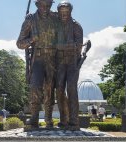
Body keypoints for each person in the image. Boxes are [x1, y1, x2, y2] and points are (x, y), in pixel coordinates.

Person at [17, 0, 58, 129]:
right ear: (36, 5)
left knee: (50, 89)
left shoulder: (56, 18)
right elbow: (19, 43)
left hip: (52, 59)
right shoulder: (30, 20)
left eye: (48, 5)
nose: (45, 8)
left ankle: (48, 118)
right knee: (35, 88)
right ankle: (34, 117)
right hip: (38, 60)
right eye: (42, 5)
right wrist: (31, 40)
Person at [55, 1, 83, 130]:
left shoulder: (76, 26)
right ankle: (63, 120)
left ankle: (74, 121)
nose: (64, 14)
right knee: (59, 90)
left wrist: (61, 47)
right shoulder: (55, 25)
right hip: (59, 63)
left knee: (72, 89)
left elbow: (78, 47)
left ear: (70, 12)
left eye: (66, 12)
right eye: (61, 12)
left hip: (72, 63)